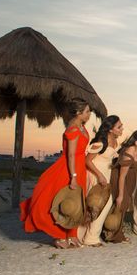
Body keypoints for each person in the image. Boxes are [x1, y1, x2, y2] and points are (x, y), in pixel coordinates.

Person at [21, 98, 91, 249]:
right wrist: (73, 176)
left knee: (76, 201)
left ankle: (71, 234)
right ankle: (59, 235)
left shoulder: (81, 126)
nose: (89, 114)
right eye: (87, 111)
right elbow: (71, 155)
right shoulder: (73, 128)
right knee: (61, 200)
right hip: (69, 167)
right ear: (78, 113)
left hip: (79, 166)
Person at [79, 115, 123, 246]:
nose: (122, 129)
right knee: (97, 205)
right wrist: (99, 175)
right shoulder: (100, 142)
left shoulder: (115, 141)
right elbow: (87, 161)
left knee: (104, 205)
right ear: (110, 129)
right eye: (119, 127)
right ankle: (89, 238)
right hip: (96, 174)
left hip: (106, 174)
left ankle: (91, 236)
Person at [108, 129, 137, 242]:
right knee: (122, 202)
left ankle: (114, 231)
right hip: (121, 178)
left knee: (126, 203)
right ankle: (116, 235)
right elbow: (121, 176)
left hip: (130, 177)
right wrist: (120, 195)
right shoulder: (128, 153)